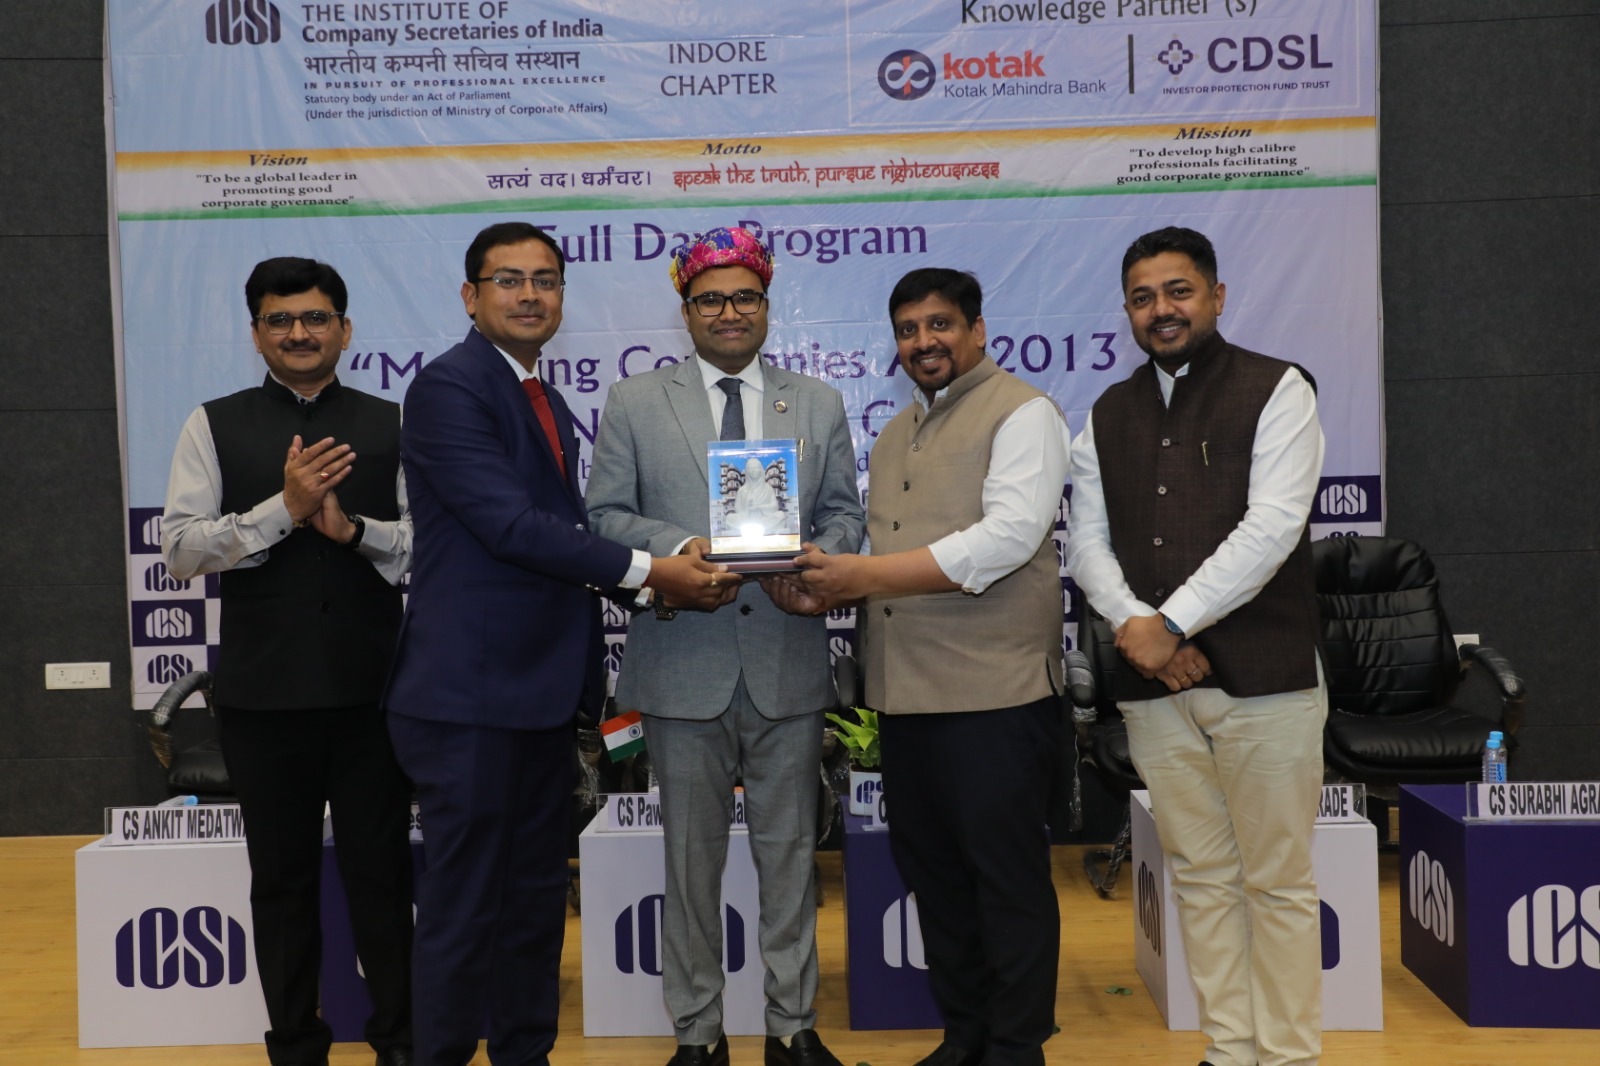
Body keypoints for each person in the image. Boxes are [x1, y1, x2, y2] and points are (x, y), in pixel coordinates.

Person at [382, 222, 728, 1066]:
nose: (530, 294)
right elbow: (511, 528)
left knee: (534, 902)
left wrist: (659, 571)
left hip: (538, 696)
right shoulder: (450, 388)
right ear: (471, 296)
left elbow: (565, 532)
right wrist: (653, 571)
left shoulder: (542, 395)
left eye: (545, 279)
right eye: (509, 279)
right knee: (465, 908)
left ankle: (525, 1054)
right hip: (469, 699)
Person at [585, 226, 865, 1066]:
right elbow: (605, 516)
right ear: (686, 311)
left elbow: (844, 514)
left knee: (792, 858)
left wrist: (815, 562)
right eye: (710, 299)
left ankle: (792, 1028)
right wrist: (683, 549)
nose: (729, 312)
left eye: (745, 296)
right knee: (689, 862)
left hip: (786, 657)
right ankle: (698, 1035)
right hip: (682, 663)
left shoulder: (816, 401)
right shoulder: (636, 401)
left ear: (767, 306)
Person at [789, 268, 1070, 1066]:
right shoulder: (893, 435)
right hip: (906, 697)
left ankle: (1015, 1049)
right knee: (936, 879)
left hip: (998, 696)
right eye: (908, 330)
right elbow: (877, 562)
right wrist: (819, 586)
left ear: (977, 331)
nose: (924, 342)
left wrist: (861, 576)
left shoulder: (1025, 413)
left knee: (1006, 883)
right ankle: (967, 1036)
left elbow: (1007, 540)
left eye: (940, 324)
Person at [1065, 226, 1327, 1066]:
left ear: (1216, 296)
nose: (1161, 310)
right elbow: (1085, 544)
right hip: (1155, 688)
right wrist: (1141, 630)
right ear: (1127, 312)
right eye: (1143, 298)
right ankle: (1230, 1048)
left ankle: (1288, 1056)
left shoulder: (1278, 388)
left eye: (1178, 291)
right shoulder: (1106, 414)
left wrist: (1168, 622)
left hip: (1268, 681)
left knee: (1277, 882)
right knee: (1202, 877)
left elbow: (1272, 528)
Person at [162, 256, 414, 1066]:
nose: (299, 333)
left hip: (374, 696)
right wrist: (284, 510)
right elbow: (180, 551)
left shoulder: (393, 420)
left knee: (385, 880)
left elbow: (427, 548)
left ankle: (401, 1044)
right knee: (281, 885)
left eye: (315, 318)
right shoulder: (212, 423)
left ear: (344, 329)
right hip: (263, 701)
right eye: (280, 320)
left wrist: (352, 531)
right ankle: (296, 1048)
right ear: (256, 334)